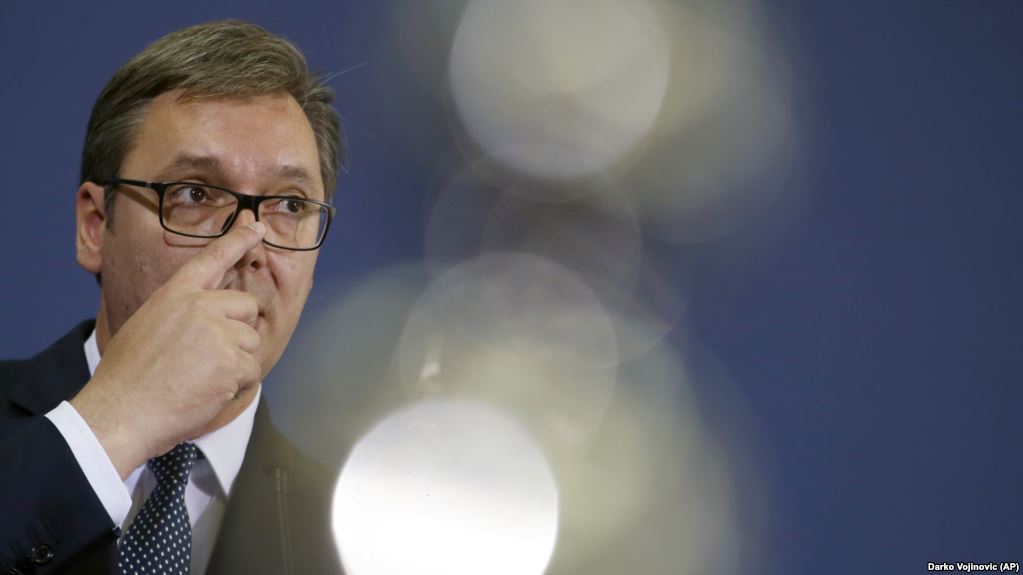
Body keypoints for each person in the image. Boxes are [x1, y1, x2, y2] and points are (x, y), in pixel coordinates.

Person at [0, 20, 344, 574]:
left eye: (290, 205)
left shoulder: (364, 537)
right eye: (195, 194)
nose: (249, 245)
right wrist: (114, 424)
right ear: (95, 226)